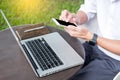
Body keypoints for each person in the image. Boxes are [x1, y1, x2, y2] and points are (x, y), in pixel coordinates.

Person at [59, 0, 120, 80]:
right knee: (57, 65)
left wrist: (90, 37)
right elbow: (88, 8)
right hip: (95, 45)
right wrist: (75, 19)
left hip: (115, 60)